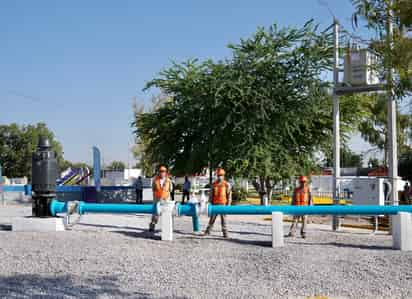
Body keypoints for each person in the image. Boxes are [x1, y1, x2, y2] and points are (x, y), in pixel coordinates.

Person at [204, 168, 231, 238]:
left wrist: (228, 205)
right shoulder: (214, 184)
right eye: (218, 175)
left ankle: (225, 233)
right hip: (215, 205)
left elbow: (229, 195)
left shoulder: (226, 184)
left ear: (224, 176)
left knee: (224, 220)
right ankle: (208, 231)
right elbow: (211, 195)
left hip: (223, 205)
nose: (220, 177)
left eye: (221, 175)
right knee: (212, 219)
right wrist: (209, 203)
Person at [149, 166, 172, 232]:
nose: (162, 173)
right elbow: (153, 189)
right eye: (161, 171)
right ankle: (152, 226)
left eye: (163, 171)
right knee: (155, 214)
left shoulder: (168, 180)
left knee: (167, 213)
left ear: (165, 172)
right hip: (157, 199)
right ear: (159, 172)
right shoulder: (155, 180)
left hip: (166, 199)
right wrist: (155, 199)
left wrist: (168, 198)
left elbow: (170, 189)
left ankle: (166, 228)